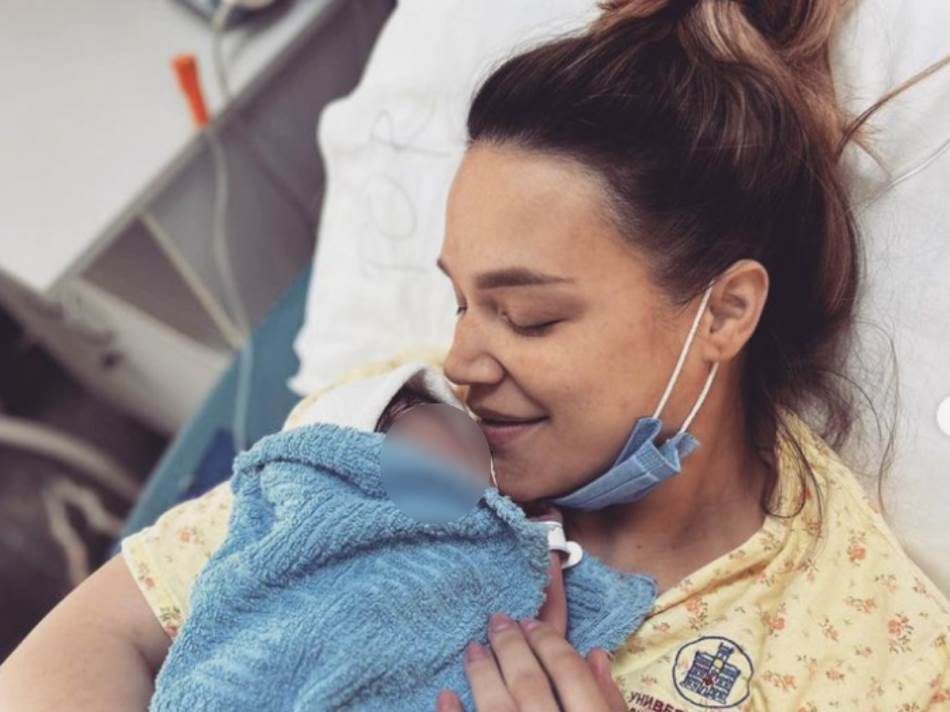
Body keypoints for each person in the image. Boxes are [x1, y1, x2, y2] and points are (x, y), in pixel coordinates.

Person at [2, 0, 949, 710]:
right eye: (461, 302)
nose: (462, 360)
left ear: (725, 313)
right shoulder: (393, 439)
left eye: (527, 318)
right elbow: (92, 641)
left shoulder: (864, 640)